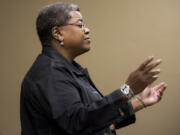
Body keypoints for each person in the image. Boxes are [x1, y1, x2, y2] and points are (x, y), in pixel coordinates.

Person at [20, 2, 167, 135]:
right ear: (58, 33)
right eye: (80, 25)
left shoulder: (69, 68)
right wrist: (127, 90)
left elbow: (95, 120)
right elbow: (78, 123)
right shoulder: (49, 73)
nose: (87, 30)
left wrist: (139, 102)